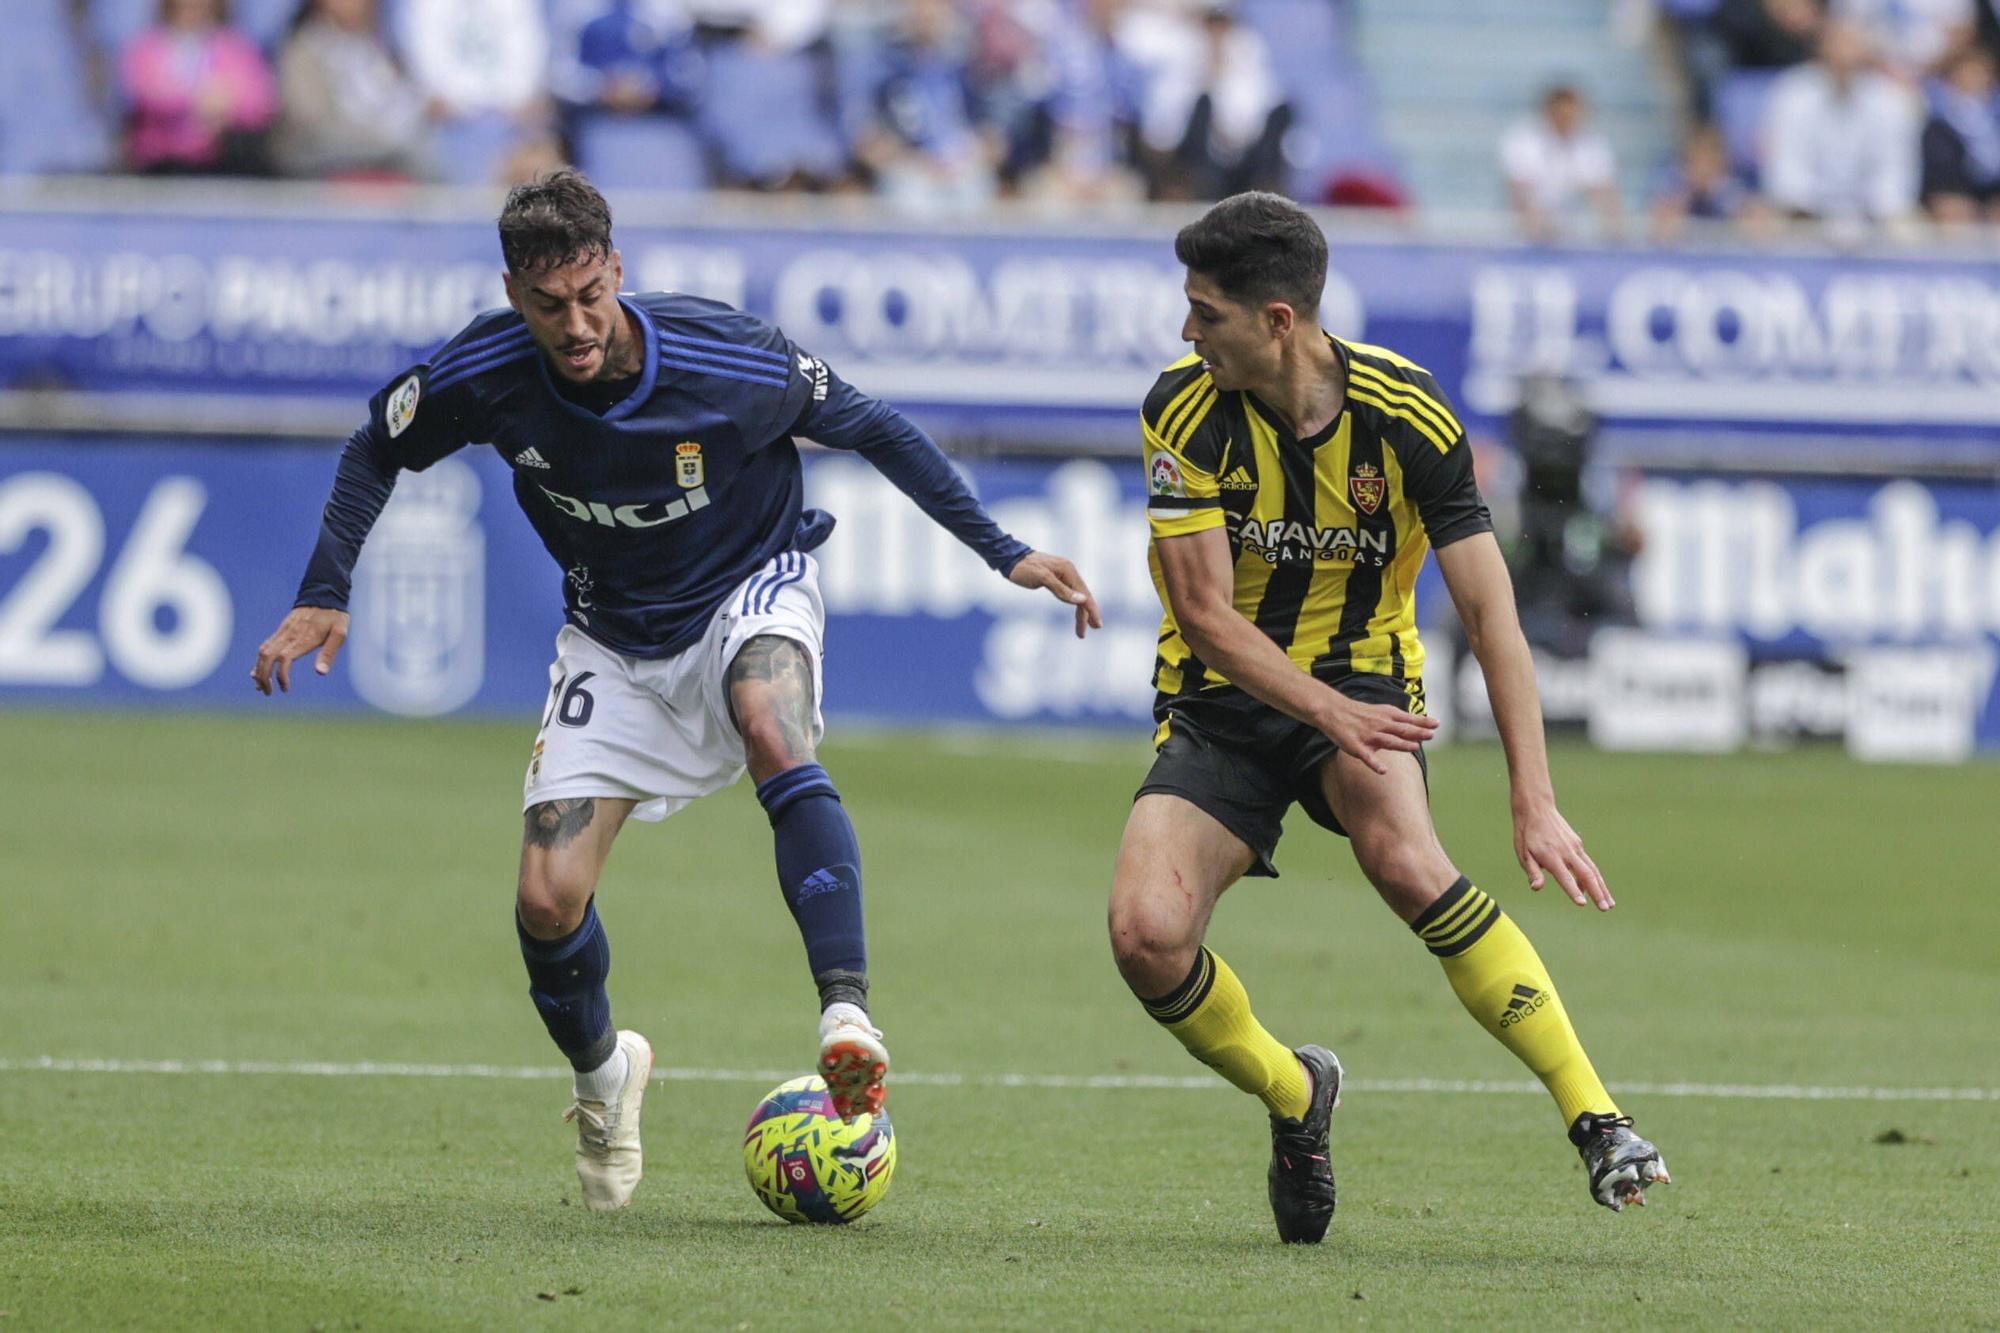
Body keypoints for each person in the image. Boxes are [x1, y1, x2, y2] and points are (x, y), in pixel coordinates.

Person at [251, 169, 1101, 1212]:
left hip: (752, 584)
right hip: (613, 637)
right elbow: (375, 443)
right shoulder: (485, 371)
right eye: (548, 304)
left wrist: (1001, 550)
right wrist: (324, 589)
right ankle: (605, 1076)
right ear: (513, 291)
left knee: (769, 723)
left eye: (589, 295)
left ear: (616, 270)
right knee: (545, 899)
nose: (573, 325)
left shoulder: (722, 357)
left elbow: (873, 425)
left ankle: (846, 1015)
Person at [1107, 192, 1668, 1245]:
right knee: (1144, 935)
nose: (1186, 332)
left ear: (1278, 319)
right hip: (1223, 697)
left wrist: (1533, 798)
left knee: (1410, 863)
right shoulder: (1180, 410)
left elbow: (1491, 614)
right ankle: (1293, 1093)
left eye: (1205, 311)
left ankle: (1597, 1119)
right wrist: (1316, 708)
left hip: (1362, 677)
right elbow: (1204, 616)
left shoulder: (1407, 415)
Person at [118, 0, 278, 175]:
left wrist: (228, 108)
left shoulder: (235, 46)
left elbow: (261, 102)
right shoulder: (146, 46)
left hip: (220, 163)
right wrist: (196, 101)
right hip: (161, 165)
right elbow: (145, 95)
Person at [1499, 84, 1624, 242]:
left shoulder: (1592, 144)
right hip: (1523, 231)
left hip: (1569, 231)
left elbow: (1604, 192)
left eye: (1573, 115)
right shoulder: (1522, 139)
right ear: (1549, 112)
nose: (1568, 120)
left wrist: (1615, 232)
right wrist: (1537, 229)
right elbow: (1520, 191)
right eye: (1562, 115)